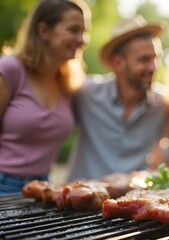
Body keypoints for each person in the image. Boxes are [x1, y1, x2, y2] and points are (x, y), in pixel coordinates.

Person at [0, 0, 90, 194]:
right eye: (74, 30)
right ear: (43, 31)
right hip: (4, 183)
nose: (82, 39)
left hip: (44, 186)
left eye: (84, 32)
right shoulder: (10, 69)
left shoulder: (68, 83)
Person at [66, 15, 166, 181]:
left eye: (156, 58)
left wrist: (138, 180)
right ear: (118, 63)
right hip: (78, 201)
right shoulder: (85, 93)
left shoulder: (164, 104)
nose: (154, 67)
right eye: (144, 59)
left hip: (133, 203)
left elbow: (166, 163)